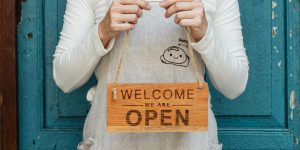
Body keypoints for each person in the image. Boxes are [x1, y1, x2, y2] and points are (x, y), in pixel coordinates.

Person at [53, 0, 249, 149]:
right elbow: (64, 78)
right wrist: (103, 30)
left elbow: (235, 85)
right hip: (111, 141)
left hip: (190, 142)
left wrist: (205, 33)